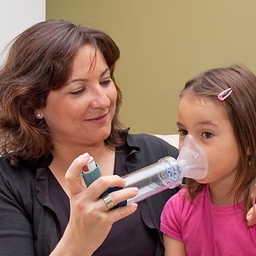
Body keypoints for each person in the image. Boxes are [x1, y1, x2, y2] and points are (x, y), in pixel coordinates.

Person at [0, 19, 180, 256]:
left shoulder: (155, 154)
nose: (104, 101)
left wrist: (246, 185)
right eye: (78, 90)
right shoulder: (9, 182)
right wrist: (77, 243)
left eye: (105, 81)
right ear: (35, 104)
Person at [160, 64, 256, 255]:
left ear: (247, 142)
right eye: (183, 132)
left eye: (206, 134)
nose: (188, 147)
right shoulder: (178, 209)